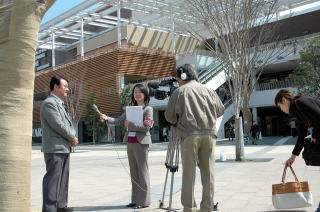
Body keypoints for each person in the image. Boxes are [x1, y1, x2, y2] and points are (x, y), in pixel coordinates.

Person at [165, 64, 224, 212]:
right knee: (208, 173)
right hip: (209, 135)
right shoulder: (209, 90)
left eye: (178, 78)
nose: (177, 81)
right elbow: (220, 109)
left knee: (189, 173)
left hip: (189, 135)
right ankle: (207, 207)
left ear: (182, 77)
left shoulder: (179, 91)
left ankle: (189, 207)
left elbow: (169, 116)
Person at [99, 84, 153, 209]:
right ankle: (135, 200)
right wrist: (106, 118)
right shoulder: (130, 109)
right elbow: (118, 120)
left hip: (142, 144)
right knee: (134, 173)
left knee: (142, 172)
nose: (137, 94)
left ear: (145, 94)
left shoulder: (148, 109)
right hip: (130, 143)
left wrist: (130, 124)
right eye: (135, 92)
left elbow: (146, 127)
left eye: (140, 92)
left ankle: (144, 201)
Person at [275, 89, 320, 211]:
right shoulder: (297, 113)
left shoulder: (300, 102)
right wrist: (292, 157)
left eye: (280, 106)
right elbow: (301, 137)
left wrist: (315, 136)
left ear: (284, 100)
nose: (281, 110)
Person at [41, 76, 78, 212]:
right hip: (54, 148)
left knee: (63, 179)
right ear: (55, 87)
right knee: (52, 180)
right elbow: (58, 124)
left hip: (63, 147)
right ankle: (50, 208)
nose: (68, 89)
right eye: (65, 86)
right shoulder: (49, 103)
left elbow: (66, 123)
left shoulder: (59, 103)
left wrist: (72, 137)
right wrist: (72, 136)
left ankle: (61, 206)